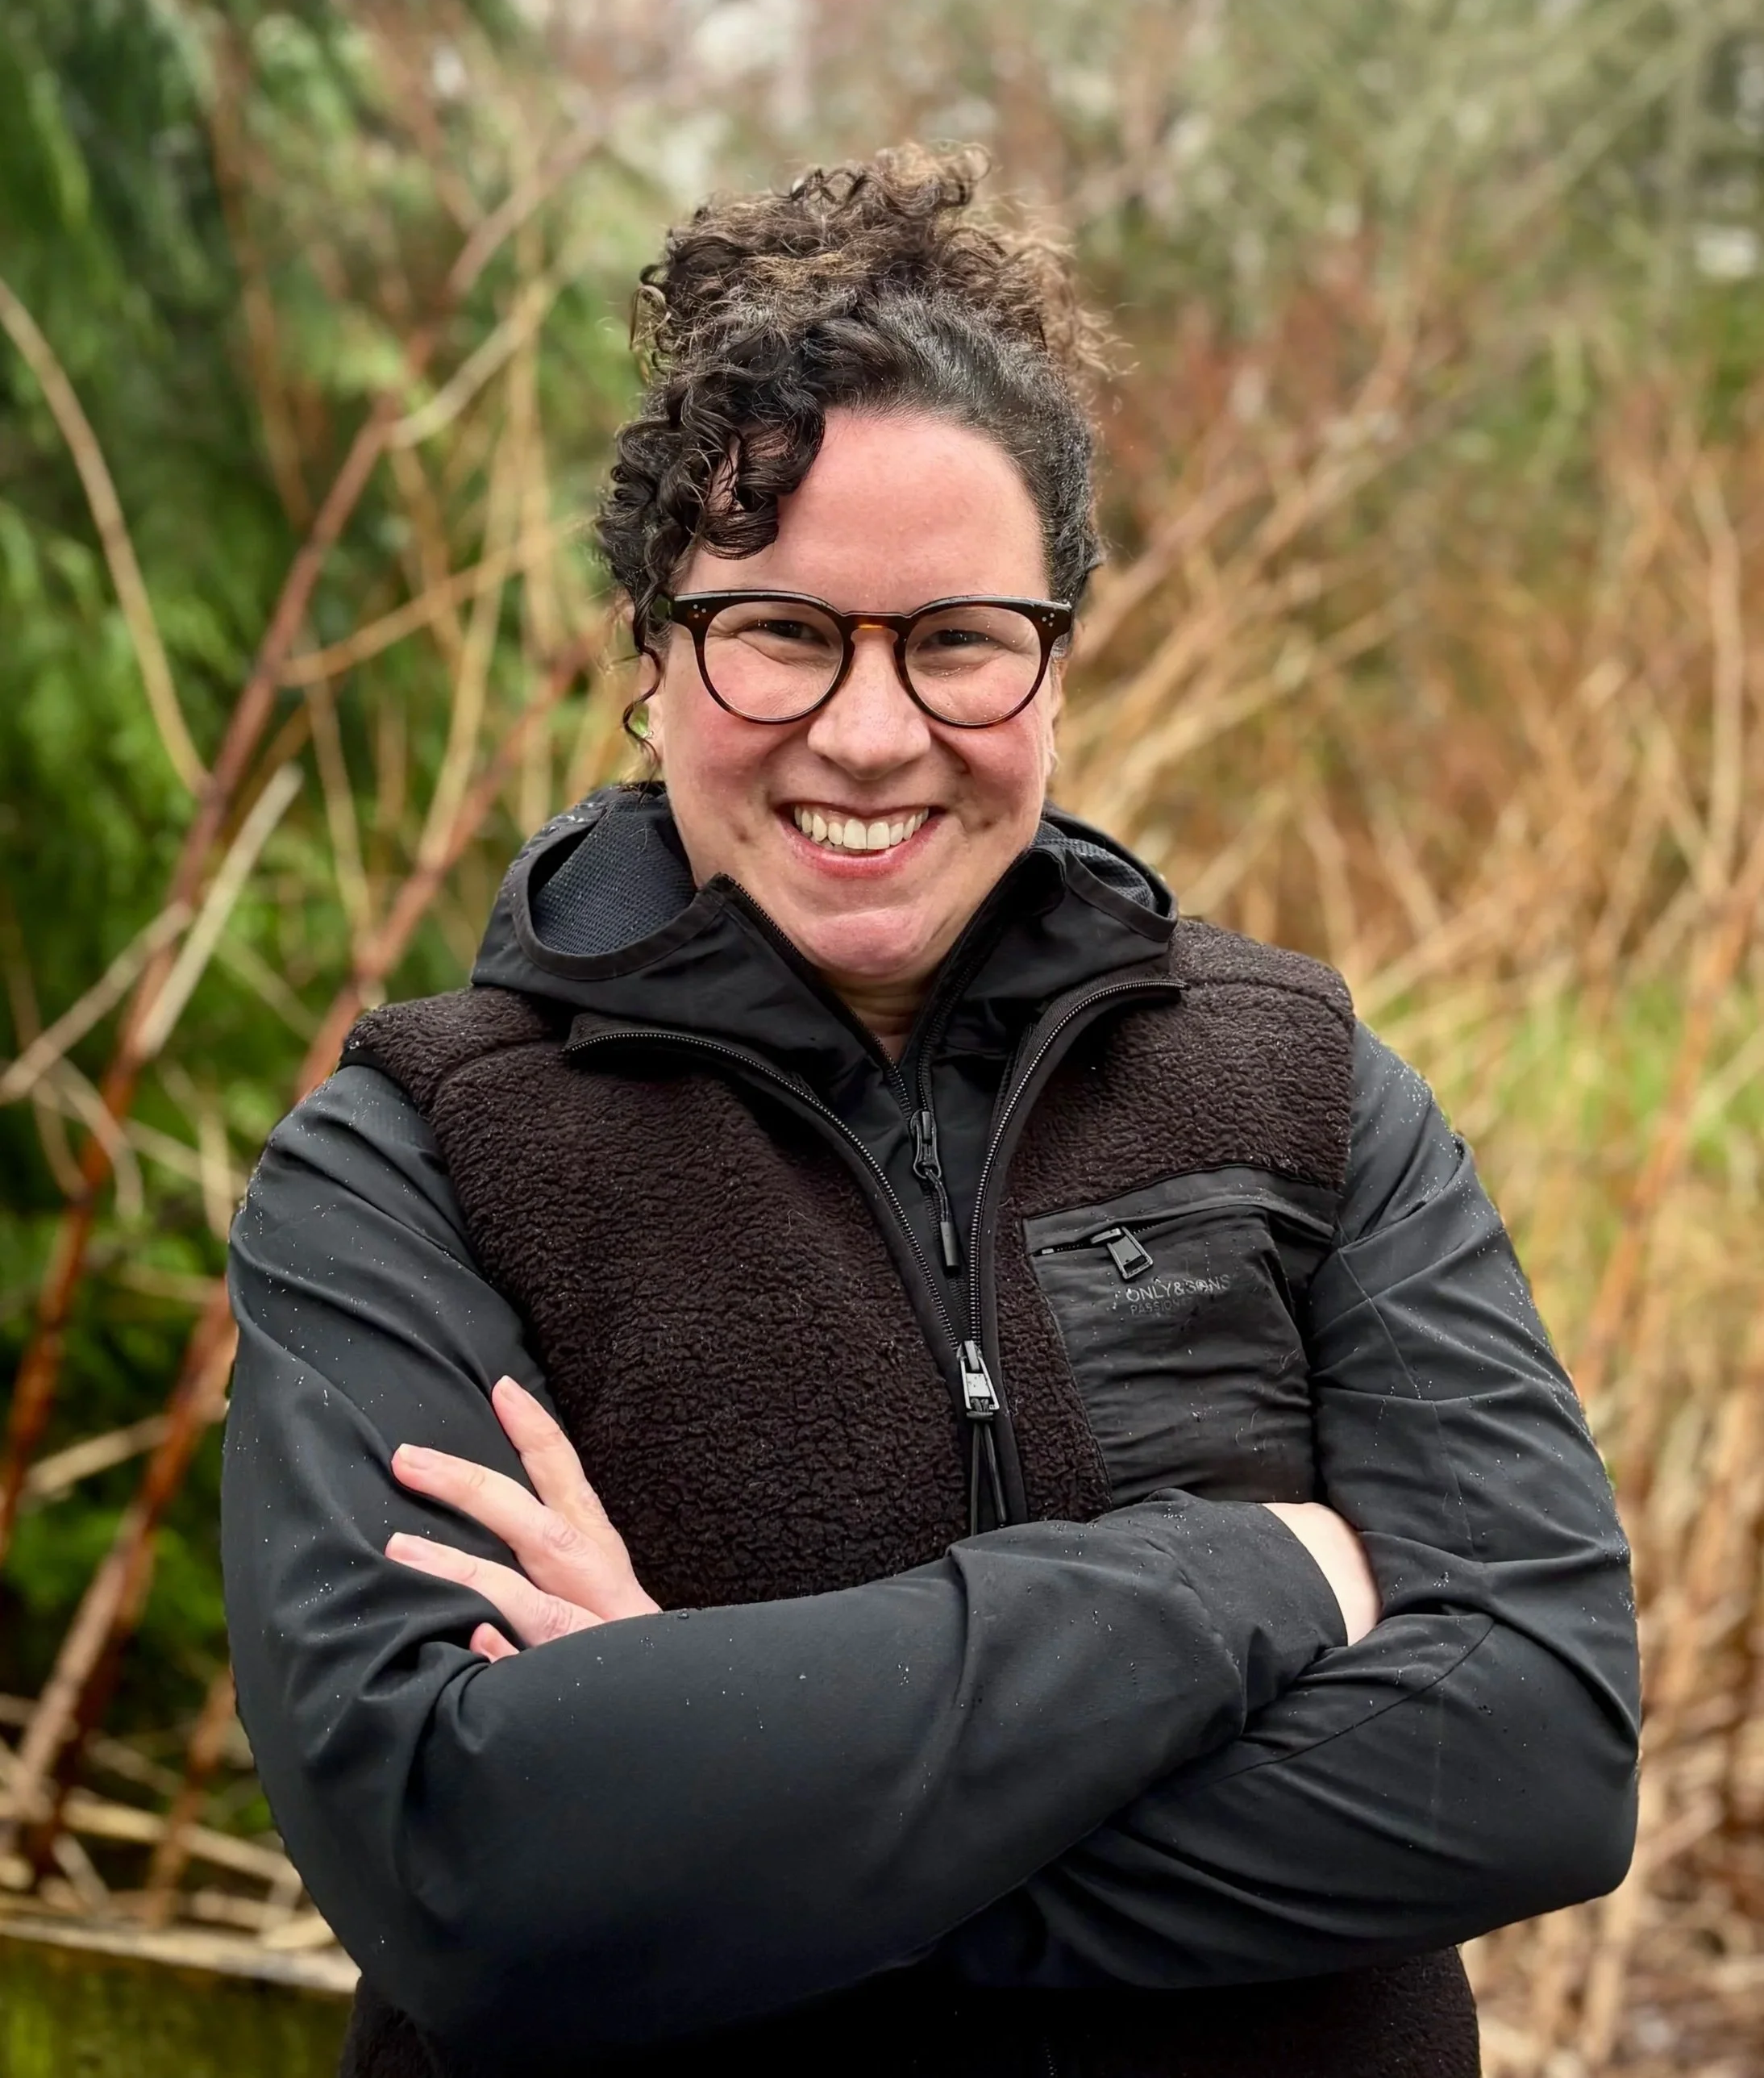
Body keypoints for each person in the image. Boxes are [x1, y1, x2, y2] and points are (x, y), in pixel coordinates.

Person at [222, 147, 1639, 2078]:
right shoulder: (413, 1162)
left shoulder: (1305, 1087)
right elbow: (467, 1864)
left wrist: (727, 1825)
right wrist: (1233, 1578)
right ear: (650, 656)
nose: (870, 733)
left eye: (956, 640)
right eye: (781, 632)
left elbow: (1537, 1755)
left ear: (1055, 661)